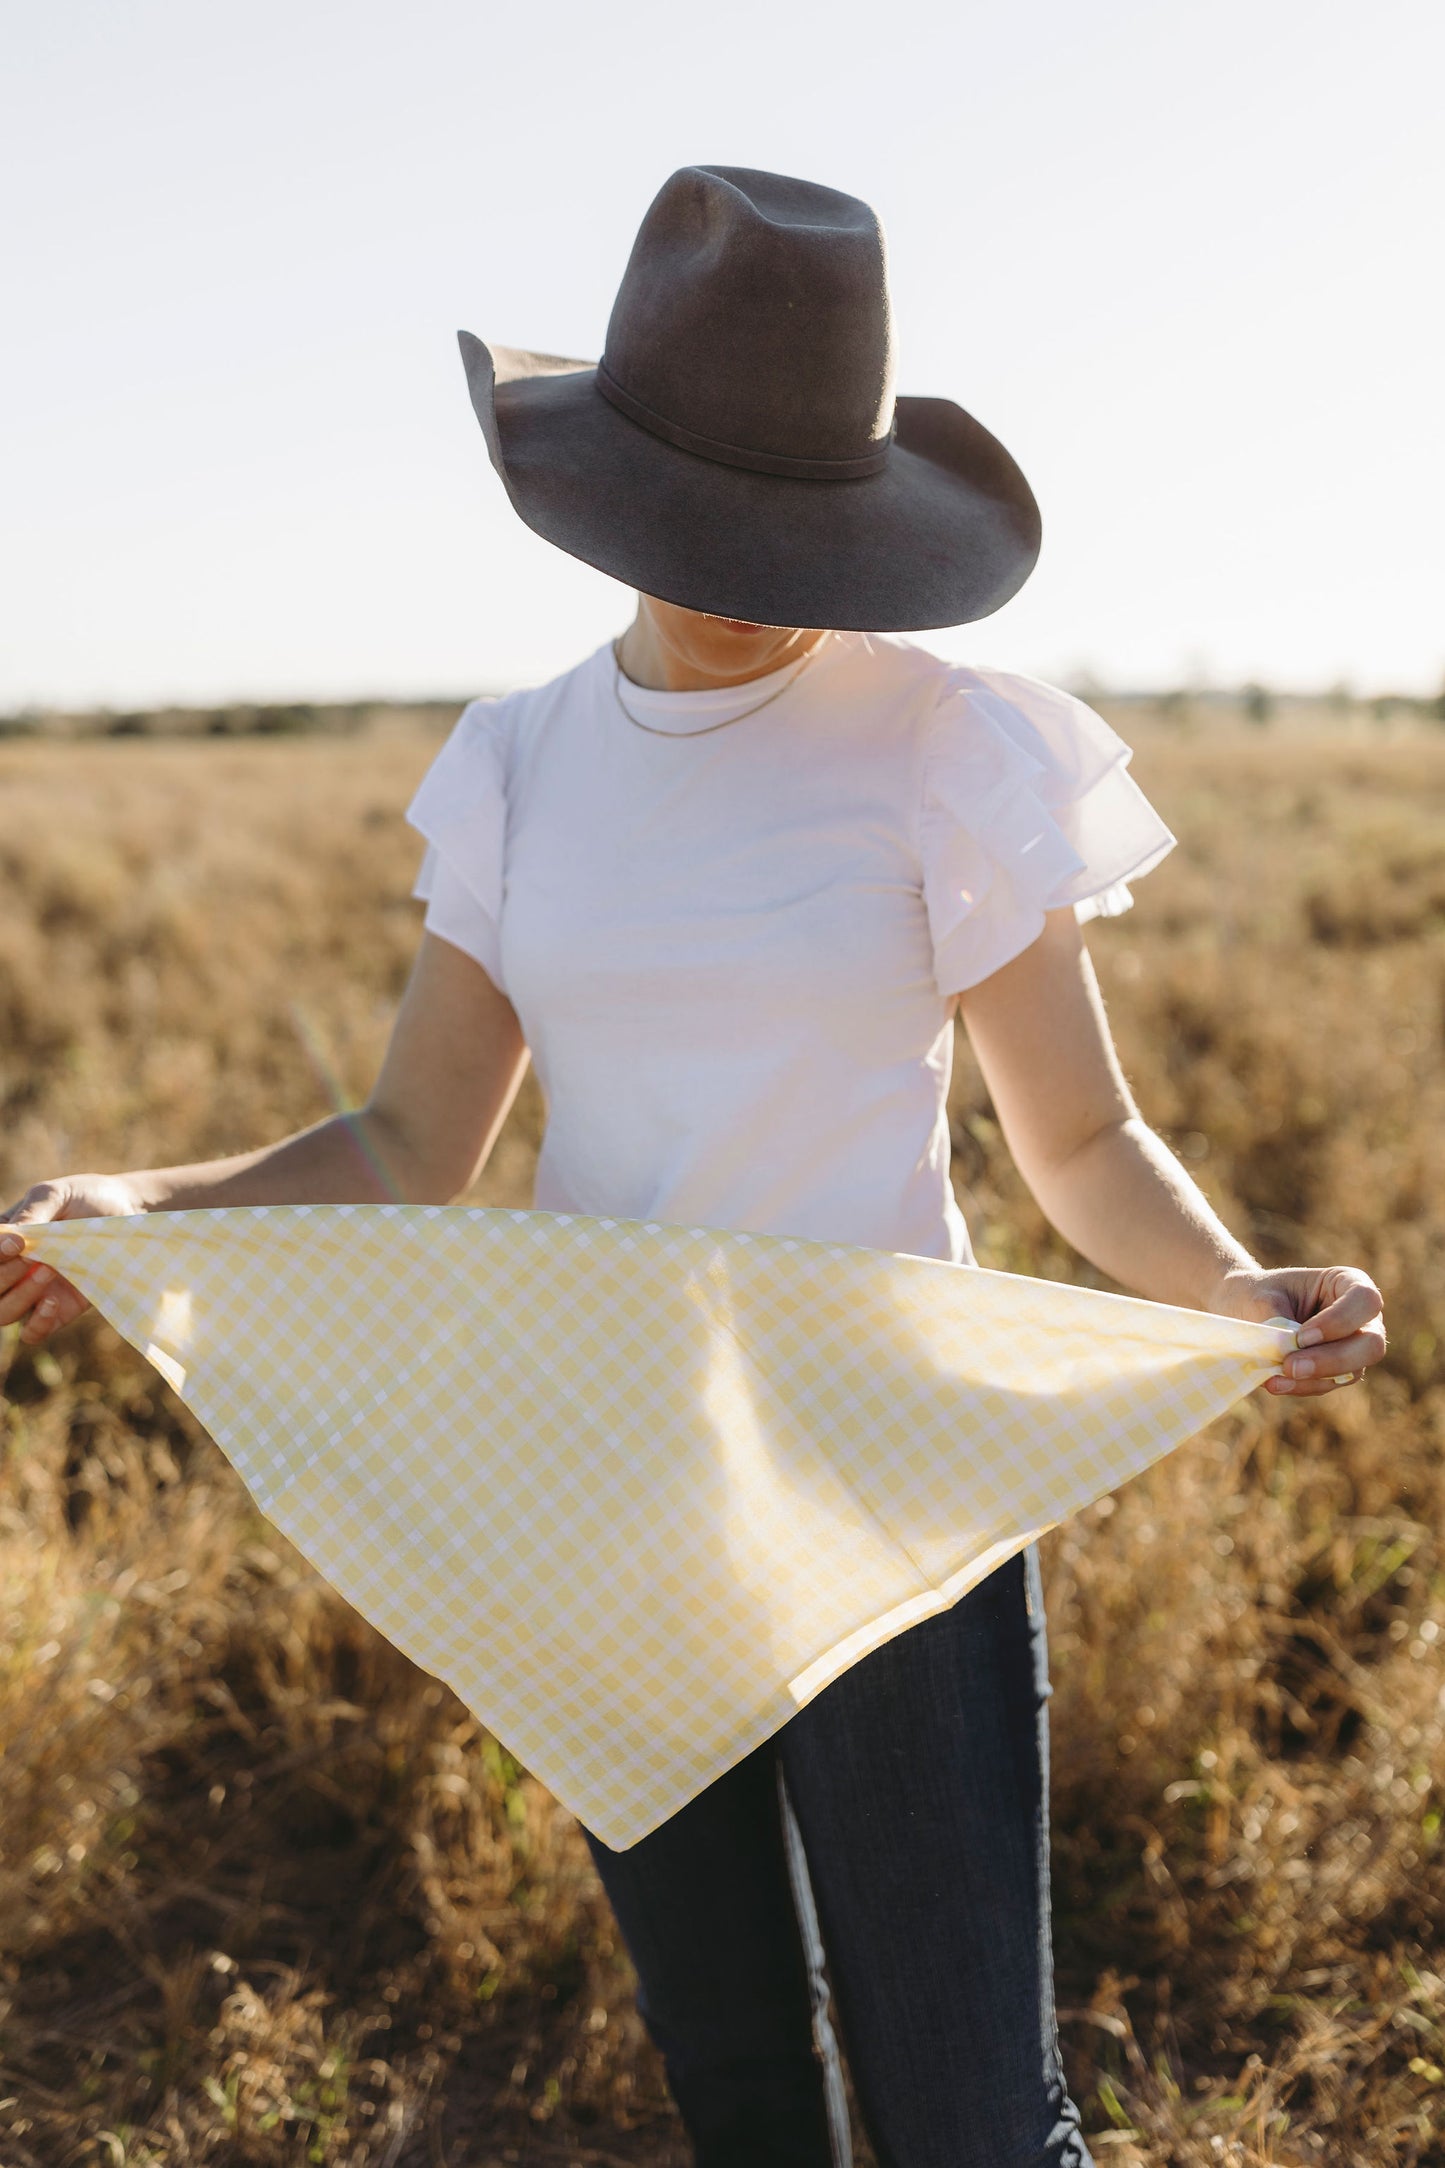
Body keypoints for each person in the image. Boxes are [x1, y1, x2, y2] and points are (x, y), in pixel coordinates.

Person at [1, 167, 1386, 2168]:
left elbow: (1077, 1134)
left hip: (891, 1487)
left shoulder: (947, 744)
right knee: (736, 2083)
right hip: (610, 1486)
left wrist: (1230, 1291)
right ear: (609, 491)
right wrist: (144, 1206)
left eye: (795, 520)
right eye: (708, 516)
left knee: (975, 2116)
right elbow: (409, 1137)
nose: (755, 568)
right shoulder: (513, 764)